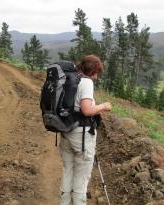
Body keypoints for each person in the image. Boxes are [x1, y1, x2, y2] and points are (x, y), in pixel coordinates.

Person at [59, 55, 112, 205]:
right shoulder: (86, 82)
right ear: (92, 71)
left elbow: (75, 106)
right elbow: (87, 110)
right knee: (81, 178)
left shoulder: (70, 78)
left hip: (66, 131)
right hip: (81, 137)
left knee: (68, 170)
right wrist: (103, 106)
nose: (96, 77)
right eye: (96, 73)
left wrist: (95, 109)